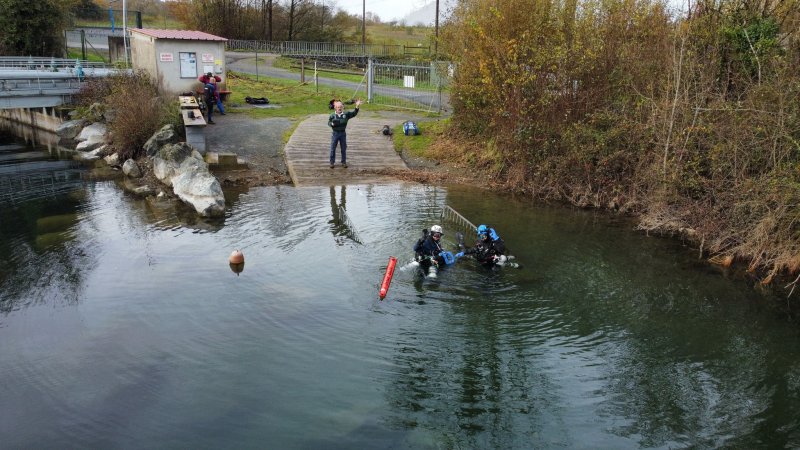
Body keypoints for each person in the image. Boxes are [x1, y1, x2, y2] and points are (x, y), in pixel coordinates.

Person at [328, 99, 362, 169]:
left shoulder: (346, 114)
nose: (339, 108)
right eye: (337, 107)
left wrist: (357, 106)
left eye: (340, 107)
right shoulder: (332, 115)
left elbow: (354, 113)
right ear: (335, 107)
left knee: (343, 148)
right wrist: (331, 124)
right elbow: (328, 122)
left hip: (343, 134)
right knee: (332, 148)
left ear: (343, 107)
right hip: (335, 134)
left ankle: (343, 162)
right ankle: (332, 162)